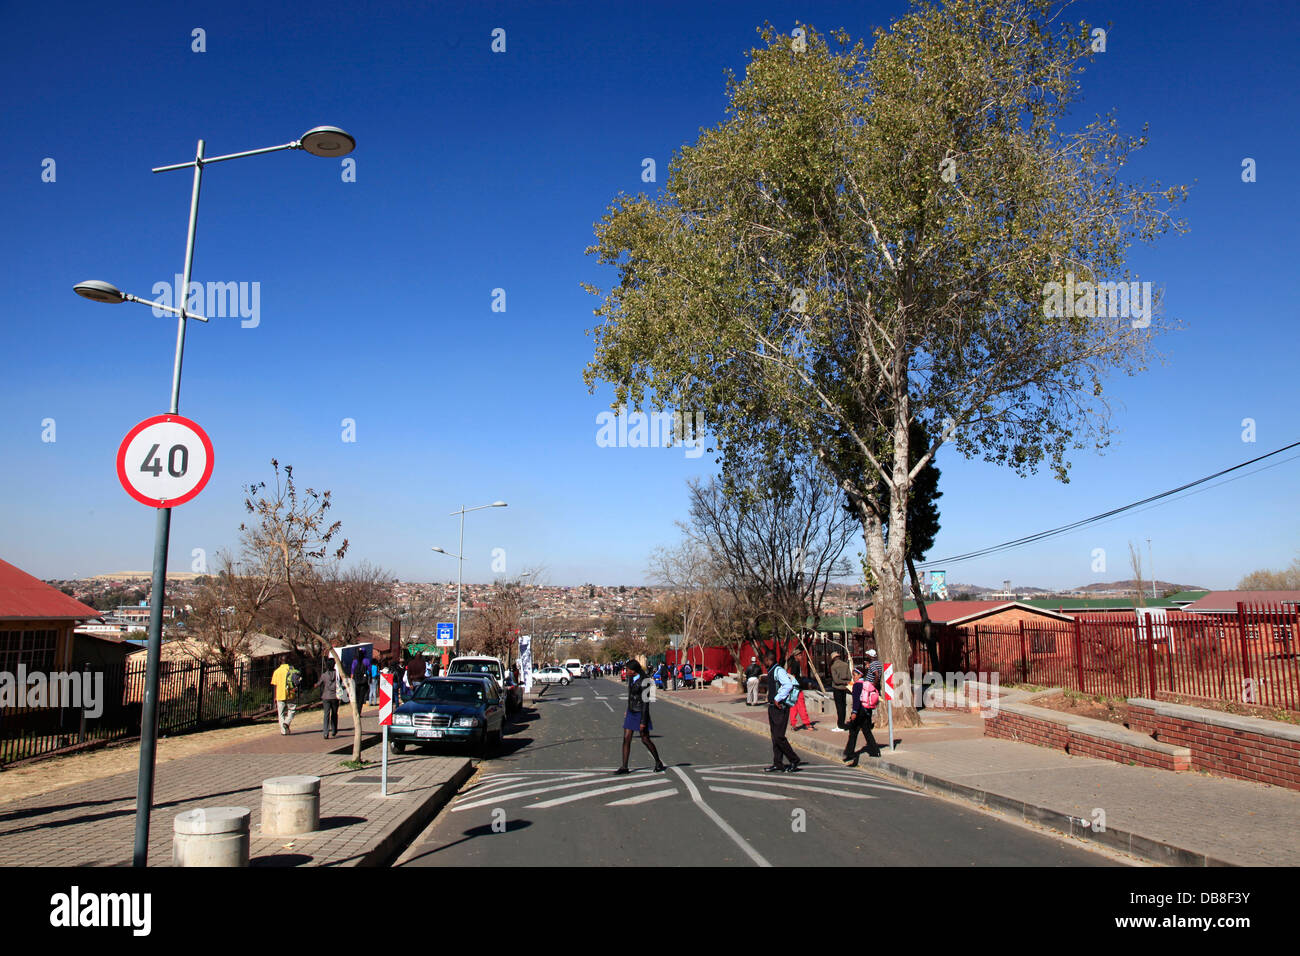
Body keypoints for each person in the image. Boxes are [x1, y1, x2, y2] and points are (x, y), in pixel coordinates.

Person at [614, 660, 665, 774]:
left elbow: (646, 703)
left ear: (633, 670)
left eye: (627, 670)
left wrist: (643, 721)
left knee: (645, 739)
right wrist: (628, 710)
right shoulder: (631, 679)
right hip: (632, 711)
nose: (625, 671)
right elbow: (631, 696)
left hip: (641, 713)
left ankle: (658, 762)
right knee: (626, 738)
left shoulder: (645, 681)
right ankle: (624, 766)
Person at [763, 650, 801, 773]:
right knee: (775, 737)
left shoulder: (778, 670)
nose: (764, 662)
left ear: (769, 660)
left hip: (780, 708)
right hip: (773, 707)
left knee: (779, 736)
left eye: (765, 660)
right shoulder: (771, 670)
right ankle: (777, 763)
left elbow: (788, 685)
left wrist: (777, 698)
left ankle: (794, 759)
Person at [843, 657, 883, 766]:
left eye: (855, 674)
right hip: (866, 711)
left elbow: (856, 700)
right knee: (866, 731)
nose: (854, 676)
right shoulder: (866, 684)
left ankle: (850, 753)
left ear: (860, 675)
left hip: (859, 711)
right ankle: (875, 751)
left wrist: (854, 712)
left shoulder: (856, 686)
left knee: (853, 731)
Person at [786, 655, 816, 731]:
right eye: (800, 655)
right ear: (796, 656)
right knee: (801, 706)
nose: (801, 656)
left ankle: (793, 724)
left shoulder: (793, 663)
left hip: (794, 689)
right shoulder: (796, 664)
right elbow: (793, 676)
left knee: (793, 707)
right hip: (797, 688)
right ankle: (807, 724)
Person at [270, 659, 299, 735]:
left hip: (280, 694)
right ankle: (287, 722)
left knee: (281, 713)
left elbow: (275, 685)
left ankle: (283, 731)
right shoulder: (291, 670)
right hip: (290, 693)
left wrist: (275, 697)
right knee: (292, 710)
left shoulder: (276, 671)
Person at [315, 655, 339, 738]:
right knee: (334, 714)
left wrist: (316, 685)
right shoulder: (337, 674)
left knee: (326, 714)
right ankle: (334, 729)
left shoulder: (324, 675)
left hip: (326, 696)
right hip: (335, 696)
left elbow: (319, 683)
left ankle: (325, 732)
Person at [830, 651, 852, 732]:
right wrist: (846, 682)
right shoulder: (845, 665)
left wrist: (842, 681)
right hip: (844, 688)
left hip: (837, 688)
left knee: (839, 707)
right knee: (843, 706)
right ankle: (842, 723)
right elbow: (849, 677)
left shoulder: (833, 667)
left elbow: (835, 680)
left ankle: (840, 725)